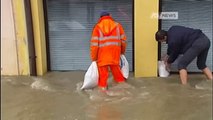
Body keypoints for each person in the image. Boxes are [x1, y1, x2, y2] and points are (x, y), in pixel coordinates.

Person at [90, 11, 127, 90]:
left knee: (103, 79)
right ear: (110, 16)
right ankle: (124, 90)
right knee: (119, 77)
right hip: (114, 55)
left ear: (100, 18)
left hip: (102, 57)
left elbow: (94, 45)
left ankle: (103, 94)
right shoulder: (118, 26)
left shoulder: (97, 27)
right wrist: (122, 52)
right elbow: (123, 41)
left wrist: (94, 58)